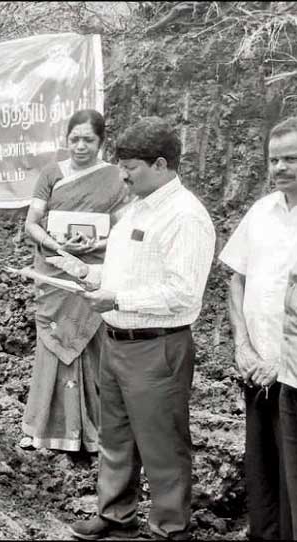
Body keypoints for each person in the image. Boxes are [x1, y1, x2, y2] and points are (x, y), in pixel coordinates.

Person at [48, 117, 215, 540]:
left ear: (161, 165)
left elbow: (183, 294)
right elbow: (129, 274)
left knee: (161, 442)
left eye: (131, 167)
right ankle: (115, 516)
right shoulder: (138, 207)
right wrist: (87, 273)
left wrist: (118, 299)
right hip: (118, 341)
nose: (121, 174)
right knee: (116, 437)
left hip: (157, 346)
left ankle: (168, 528)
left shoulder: (185, 217)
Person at [19, 110, 128, 454]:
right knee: (53, 342)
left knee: (92, 348)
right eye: (74, 139)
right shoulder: (51, 174)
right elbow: (32, 223)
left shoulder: (114, 177)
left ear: (101, 141)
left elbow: (123, 229)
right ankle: (39, 429)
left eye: (89, 140)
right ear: (66, 140)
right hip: (55, 271)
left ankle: (92, 432)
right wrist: (56, 245)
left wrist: (98, 245)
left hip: (93, 272)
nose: (80, 146)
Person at [222, 116, 297, 540]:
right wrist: (242, 345)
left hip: (294, 375)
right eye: (274, 160)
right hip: (256, 369)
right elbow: (237, 276)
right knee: (261, 470)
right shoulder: (261, 211)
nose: (280, 168)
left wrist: (281, 362)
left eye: (291, 159)